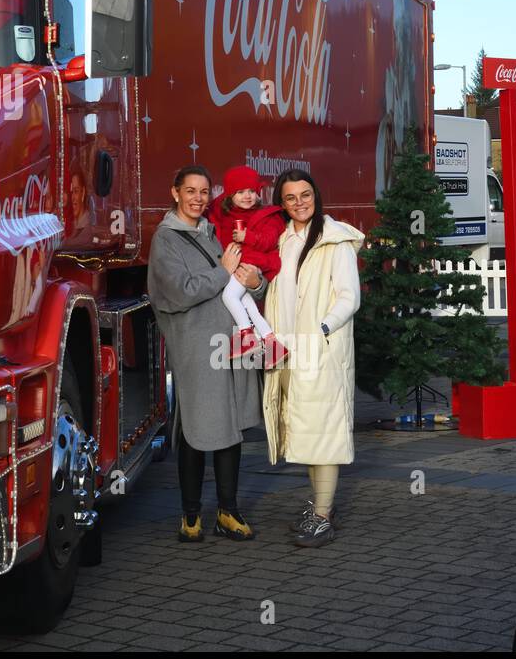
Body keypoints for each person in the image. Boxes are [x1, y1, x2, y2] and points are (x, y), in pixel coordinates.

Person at [148, 165, 266, 543]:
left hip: (229, 345)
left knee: (229, 427)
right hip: (196, 349)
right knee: (197, 429)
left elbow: (236, 285)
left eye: (204, 191)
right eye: (190, 191)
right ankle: (190, 515)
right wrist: (222, 270)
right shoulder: (166, 239)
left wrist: (255, 281)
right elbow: (181, 291)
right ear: (175, 193)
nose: (198, 198)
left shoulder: (211, 232)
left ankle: (228, 512)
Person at [262, 170, 364, 549]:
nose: (300, 202)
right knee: (305, 431)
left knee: (324, 431)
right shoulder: (283, 240)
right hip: (288, 353)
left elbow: (348, 297)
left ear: (316, 196)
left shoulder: (334, 241)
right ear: (282, 203)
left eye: (306, 195)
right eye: (291, 198)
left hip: (320, 352)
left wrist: (321, 329)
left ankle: (322, 516)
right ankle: (319, 506)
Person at [207, 165, 284, 351]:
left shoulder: (267, 216)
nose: (247, 196)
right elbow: (214, 210)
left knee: (229, 296)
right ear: (230, 194)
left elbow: (269, 241)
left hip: (253, 264)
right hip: (239, 265)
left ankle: (246, 336)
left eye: (251, 191)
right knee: (248, 304)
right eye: (240, 192)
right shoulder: (226, 213)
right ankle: (272, 345)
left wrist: (247, 237)